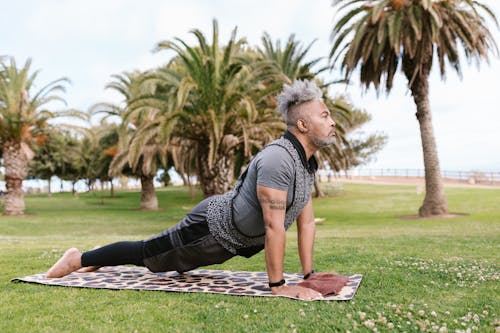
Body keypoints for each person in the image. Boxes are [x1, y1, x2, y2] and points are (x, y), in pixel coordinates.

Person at [46, 79, 337, 300]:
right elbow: (274, 226)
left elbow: (305, 220)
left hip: (229, 243)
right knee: (148, 255)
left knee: (175, 267)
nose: (332, 121)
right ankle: (80, 258)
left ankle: (96, 260)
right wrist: (279, 287)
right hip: (208, 230)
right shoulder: (278, 159)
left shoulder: (306, 162)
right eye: (324, 115)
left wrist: (309, 276)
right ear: (302, 124)